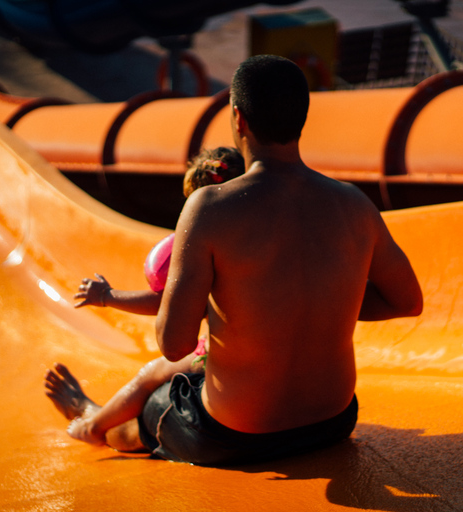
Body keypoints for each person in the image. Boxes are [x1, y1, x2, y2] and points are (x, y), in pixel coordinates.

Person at [46, 55, 423, 465]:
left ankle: (91, 421)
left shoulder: (211, 208)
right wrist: (323, 301)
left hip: (237, 435)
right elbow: (407, 302)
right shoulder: (354, 204)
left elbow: (174, 345)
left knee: (153, 404)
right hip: (332, 423)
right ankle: (95, 418)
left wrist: (231, 301)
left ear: (238, 119)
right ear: (302, 119)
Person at [44, 147, 243, 450]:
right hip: (272, 367)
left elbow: (168, 306)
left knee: (149, 375)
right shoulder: (262, 237)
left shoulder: (207, 247)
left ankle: (92, 424)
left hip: (220, 360)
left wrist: (108, 297)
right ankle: (94, 417)